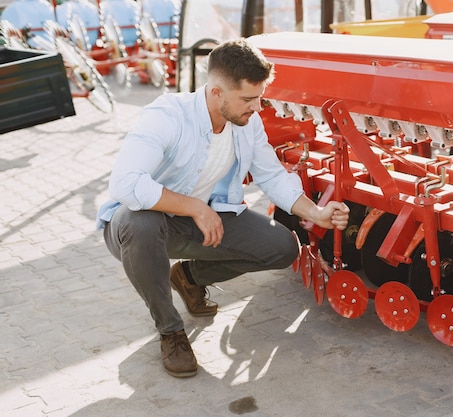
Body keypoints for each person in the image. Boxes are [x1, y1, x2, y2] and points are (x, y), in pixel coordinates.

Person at [96, 39, 350, 378]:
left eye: (260, 97)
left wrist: (315, 212)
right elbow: (126, 184)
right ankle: (170, 331)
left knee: (282, 247)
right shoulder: (167, 115)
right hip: (142, 228)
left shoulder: (248, 123)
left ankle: (188, 277)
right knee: (138, 223)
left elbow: (272, 175)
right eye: (247, 99)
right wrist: (194, 208)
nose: (257, 107)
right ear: (216, 92)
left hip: (201, 221)